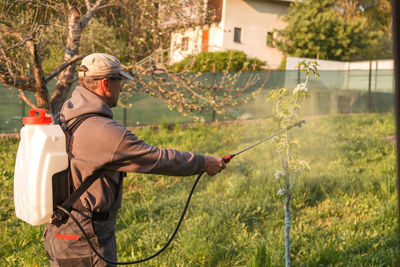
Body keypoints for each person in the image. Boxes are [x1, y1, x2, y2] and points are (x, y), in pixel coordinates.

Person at [43, 53, 226, 266]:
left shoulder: (67, 113)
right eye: (119, 80)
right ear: (105, 83)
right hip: (85, 238)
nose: (122, 87)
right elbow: (156, 158)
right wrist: (203, 162)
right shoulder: (104, 131)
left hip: (61, 231)